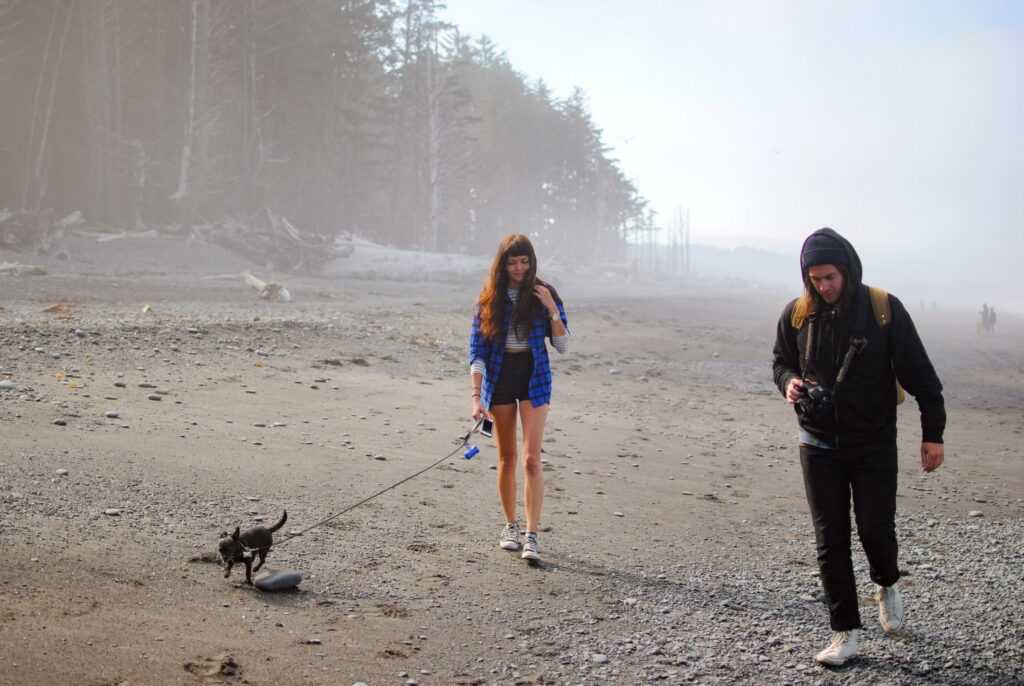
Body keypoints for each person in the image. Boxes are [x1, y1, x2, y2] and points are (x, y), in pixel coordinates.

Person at [772, 228, 946, 666]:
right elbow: (780, 361)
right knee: (830, 539)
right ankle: (844, 633)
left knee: (874, 530)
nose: (823, 286)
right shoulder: (797, 313)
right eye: (815, 279)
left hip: (872, 443)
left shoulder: (883, 309)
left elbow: (921, 376)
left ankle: (886, 582)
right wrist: (789, 383)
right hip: (816, 441)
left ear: (847, 270)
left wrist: (933, 434)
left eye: (830, 277)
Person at [469, 234, 570, 562]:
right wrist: (475, 396)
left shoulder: (544, 293)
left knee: (530, 459)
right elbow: (477, 352)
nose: (519, 268)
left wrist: (552, 310)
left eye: (524, 261)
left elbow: (563, 346)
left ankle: (532, 534)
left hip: (534, 379)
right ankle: (510, 526)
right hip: (499, 379)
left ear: (532, 261)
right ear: (503, 264)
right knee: (507, 458)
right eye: (512, 262)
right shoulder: (488, 300)